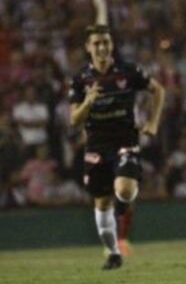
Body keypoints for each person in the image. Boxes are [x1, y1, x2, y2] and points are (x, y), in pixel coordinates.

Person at [68, 24, 166, 269]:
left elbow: (158, 90)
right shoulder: (81, 79)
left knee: (124, 189)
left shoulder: (128, 71)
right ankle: (113, 253)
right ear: (88, 47)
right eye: (97, 43)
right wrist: (88, 100)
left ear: (111, 45)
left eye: (106, 42)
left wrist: (153, 122)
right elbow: (74, 119)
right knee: (101, 204)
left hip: (125, 140)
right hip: (96, 145)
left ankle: (122, 205)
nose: (102, 47)